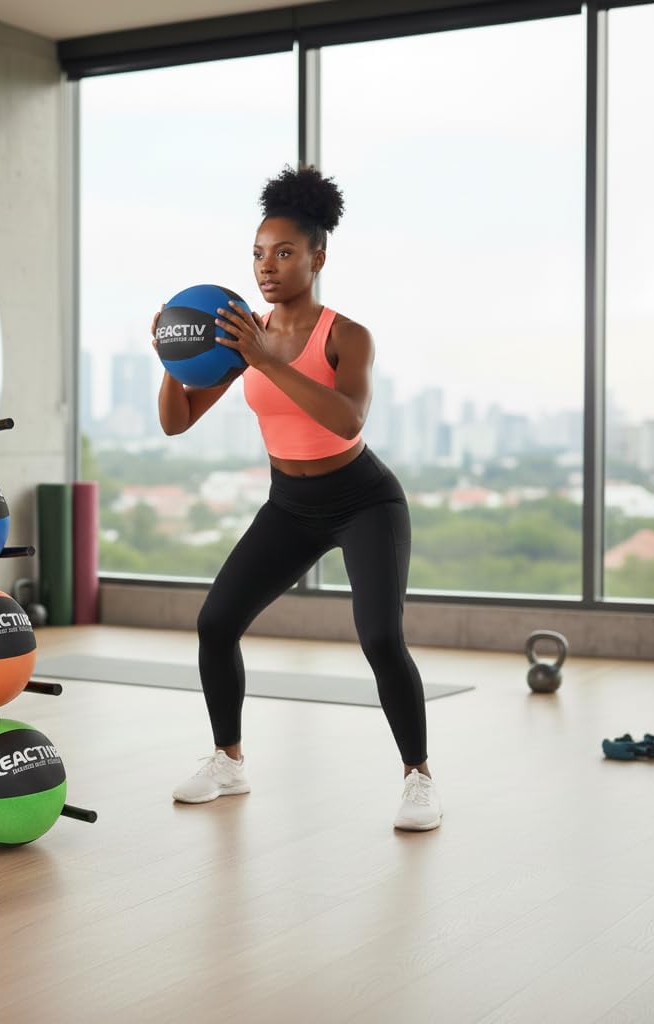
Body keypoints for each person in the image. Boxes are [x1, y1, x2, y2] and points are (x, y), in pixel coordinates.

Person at [153, 165, 441, 831]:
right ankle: (229, 760)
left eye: (284, 253)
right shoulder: (241, 334)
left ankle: (419, 778)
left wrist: (265, 359)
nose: (267, 267)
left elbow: (346, 420)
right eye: (257, 253)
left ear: (318, 257)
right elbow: (176, 421)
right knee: (215, 623)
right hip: (290, 505)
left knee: (379, 637)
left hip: (364, 500)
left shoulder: (345, 335)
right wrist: (170, 361)